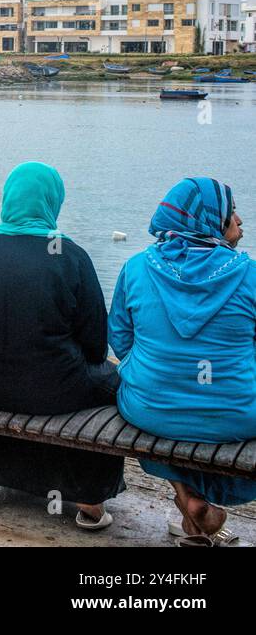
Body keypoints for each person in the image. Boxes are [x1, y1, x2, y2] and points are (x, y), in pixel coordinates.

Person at [0, 162, 123, 530]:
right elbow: (96, 347)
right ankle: (90, 499)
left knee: (7, 367)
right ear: (52, 201)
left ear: (9, 197)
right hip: (50, 389)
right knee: (113, 384)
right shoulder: (71, 255)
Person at [109, 177, 256, 546]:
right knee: (206, 411)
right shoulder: (249, 275)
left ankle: (189, 498)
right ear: (212, 220)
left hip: (151, 408)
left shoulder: (136, 268)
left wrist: (158, 372)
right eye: (230, 212)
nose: (238, 219)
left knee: (168, 402)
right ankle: (197, 506)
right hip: (237, 414)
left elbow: (121, 341)